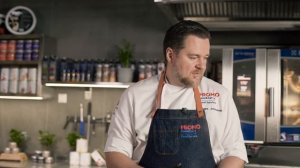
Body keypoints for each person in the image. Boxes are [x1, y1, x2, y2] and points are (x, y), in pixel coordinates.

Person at [104, 20, 248, 168]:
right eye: (193, 57)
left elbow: (235, 153)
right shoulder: (135, 95)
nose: (202, 66)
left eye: (205, 58)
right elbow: (114, 155)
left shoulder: (220, 95)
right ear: (170, 55)